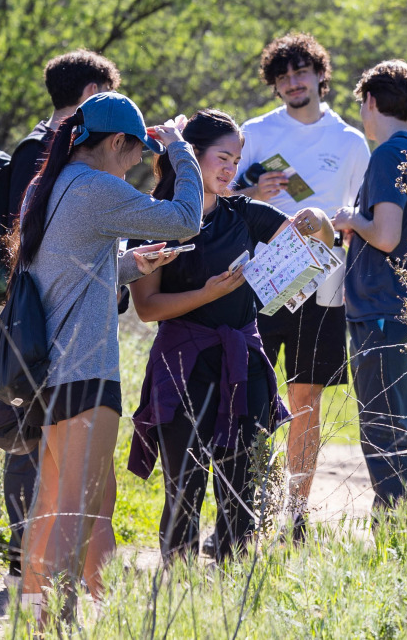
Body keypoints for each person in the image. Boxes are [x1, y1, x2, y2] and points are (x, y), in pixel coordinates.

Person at [9, 92, 203, 623]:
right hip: (85, 371)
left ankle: (34, 614)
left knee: (51, 502)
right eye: (137, 152)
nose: (139, 162)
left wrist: (128, 264)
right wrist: (180, 151)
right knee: (77, 503)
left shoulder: (46, 189)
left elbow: (65, 274)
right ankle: (61, 619)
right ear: (116, 142)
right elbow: (186, 219)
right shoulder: (96, 187)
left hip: (45, 372)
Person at [126, 109, 335, 561]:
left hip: (244, 364)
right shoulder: (154, 220)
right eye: (222, 157)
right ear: (190, 155)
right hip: (183, 364)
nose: (231, 169)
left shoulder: (245, 214)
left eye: (236, 160)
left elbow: (317, 246)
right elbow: (146, 308)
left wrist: (316, 217)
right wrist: (206, 293)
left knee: (242, 490)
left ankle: (232, 580)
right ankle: (177, 588)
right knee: (184, 487)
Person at [232, 33, 370, 541]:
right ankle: (245, 511)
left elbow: (362, 218)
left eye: (301, 73)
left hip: (323, 288)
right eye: (282, 76)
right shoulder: (256, 133)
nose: (292, 83)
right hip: (262, 285)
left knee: (305, 400)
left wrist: (334, 227)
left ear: (319, 75)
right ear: (275, 84)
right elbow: (220, 196)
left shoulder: (350, 143)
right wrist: (251, 189)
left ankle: (296, 514)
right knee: (253, 397)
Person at [0, 49, 121, 590]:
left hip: (42, 322)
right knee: (53, 474)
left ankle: (52, 590)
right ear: (90, 93)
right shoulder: (50, 156)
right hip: (51, 333)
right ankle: (45, 592)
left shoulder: (44, 151)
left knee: (66, 475)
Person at [332, 59, 407, 513]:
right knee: (398, 423)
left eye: (362, 107)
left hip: (382, 310)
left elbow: (387, 235)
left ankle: (394, 527)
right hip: (397, 307)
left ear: (370, 100)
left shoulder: (389, 154)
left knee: (383, 425)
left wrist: (352, 219)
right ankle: (403, 524)